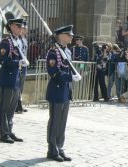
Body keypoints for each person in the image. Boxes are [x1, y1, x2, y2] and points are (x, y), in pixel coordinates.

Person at [46, 25, 78, 162]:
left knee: (63, 122)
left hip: (65, 91)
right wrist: (70, 77)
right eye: (69, 34)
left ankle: (60, 147)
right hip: (56, 90)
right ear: (61, 36)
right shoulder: (53, 52)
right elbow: (54, 73)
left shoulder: (68, 51)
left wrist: (73, 76)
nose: (71, 37)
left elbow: (68, 69)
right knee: (55, 121)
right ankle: (52, 149)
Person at [0, 16, 28, 144]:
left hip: (17, 78)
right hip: (8, 78)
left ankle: (9, 130)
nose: (21, 28)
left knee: (12, 107)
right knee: (4, 107)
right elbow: (2, 60)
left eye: (21, 26)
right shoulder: (6, 42)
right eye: (18, 26)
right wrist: (17, 62)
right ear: (11, 26)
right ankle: (3, 133)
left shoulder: (19, 41)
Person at [15, 20, 29, 113]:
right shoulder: (17, 40)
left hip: (24, 65)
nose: (25, 30)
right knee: (17, 85)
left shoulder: (24, 39)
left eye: (25, 28)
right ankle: (17, 104)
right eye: (24, 28)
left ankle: (19, 103)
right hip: (19, 65)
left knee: (21, 85)